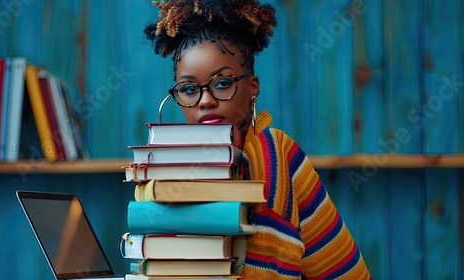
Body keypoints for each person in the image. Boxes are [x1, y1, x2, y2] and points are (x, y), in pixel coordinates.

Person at [143, 0, 371, 279]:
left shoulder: (276, 153)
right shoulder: (166, 169)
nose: (205, 100)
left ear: (252, 88)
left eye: (223, 83)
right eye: (189, 89)